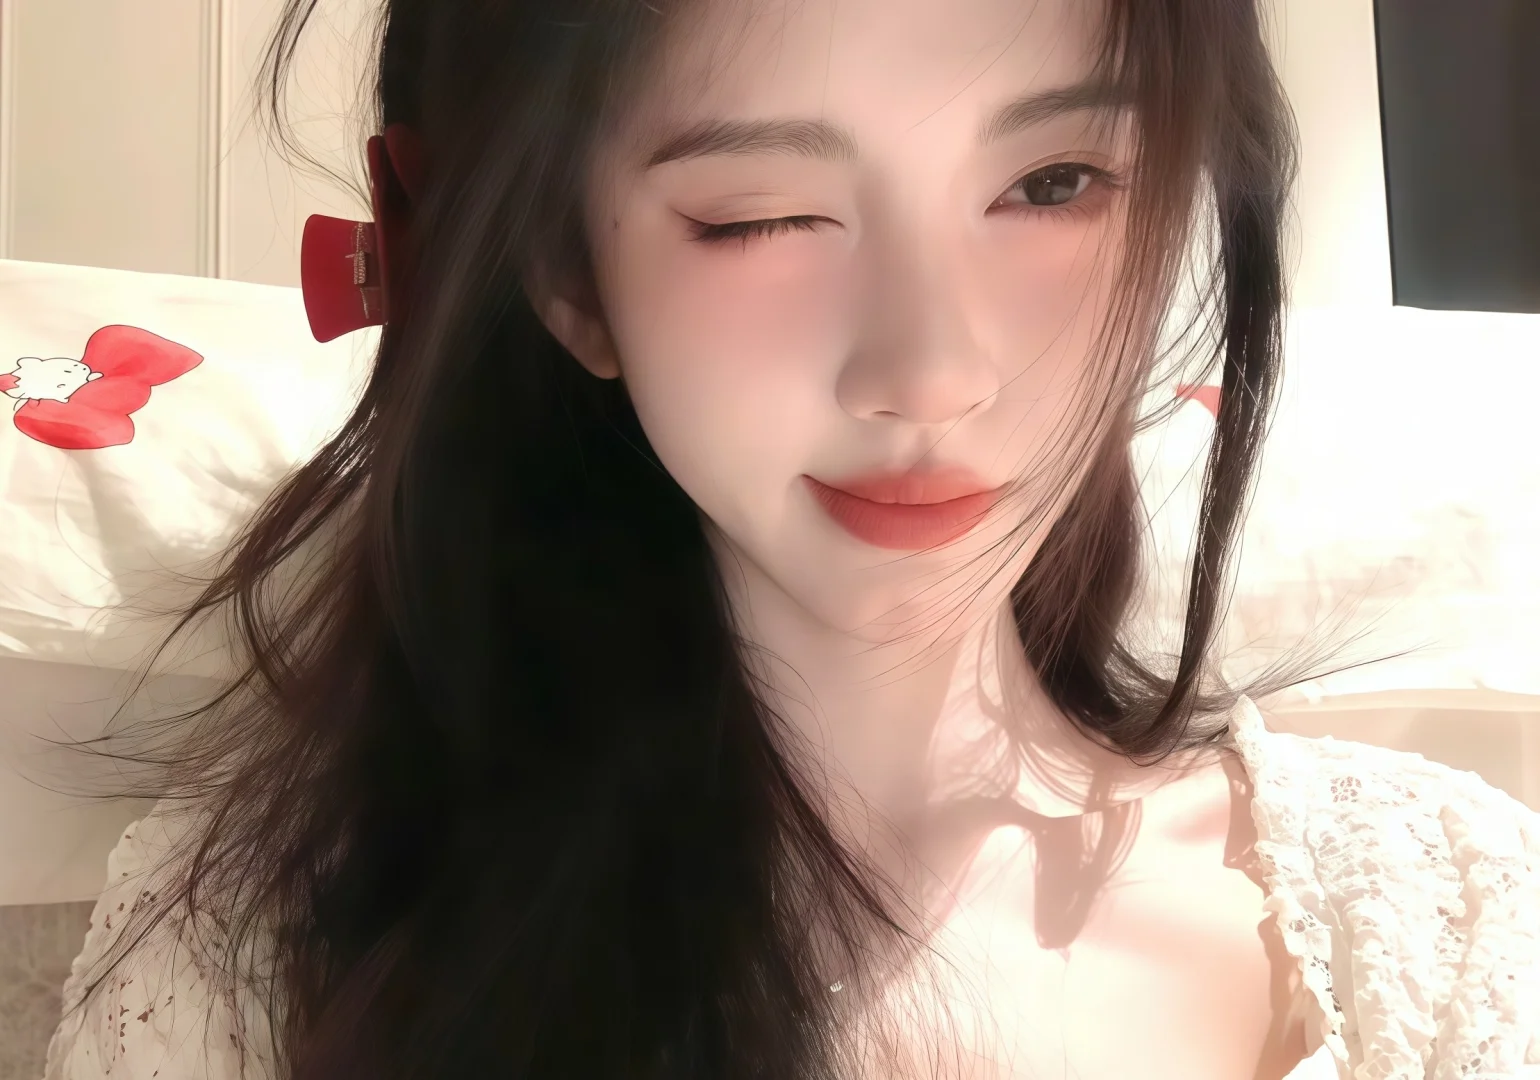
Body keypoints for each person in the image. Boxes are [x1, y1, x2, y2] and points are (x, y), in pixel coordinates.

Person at [40, 0, 1540, 1077]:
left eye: (1054, 184)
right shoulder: (260, 957)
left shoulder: (1449, 914)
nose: (933, 371)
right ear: (566, 270)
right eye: (760, 216)